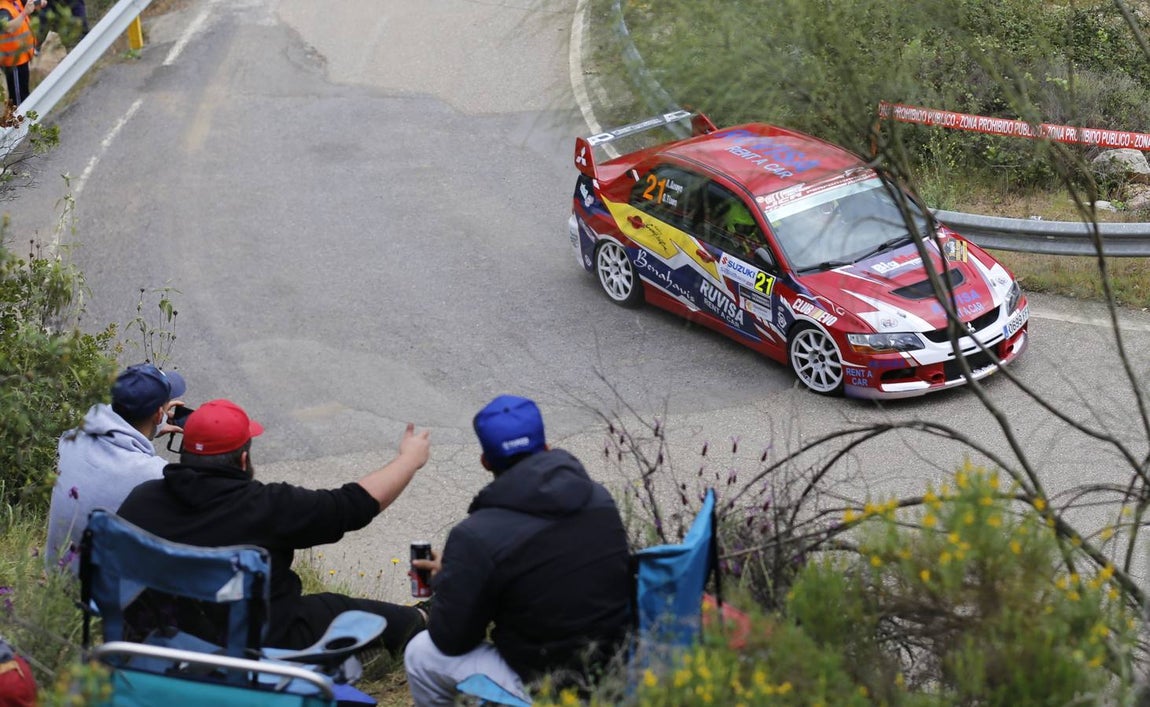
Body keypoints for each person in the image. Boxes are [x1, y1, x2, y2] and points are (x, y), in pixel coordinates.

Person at [116, 398, 431, 655]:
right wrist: (409, 460)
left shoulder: (141, 501)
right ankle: (425, 618)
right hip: (257, 645)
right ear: (243, 460)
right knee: (341, 609)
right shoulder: (268, 506)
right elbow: (352, 506)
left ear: (184, 454)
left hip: (160, 640)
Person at [404, 395, 632, 706]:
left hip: (548, 685)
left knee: (421, 654)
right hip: (621, 670)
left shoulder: (475, 535)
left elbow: (451, 640)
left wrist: (450, 580)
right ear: (547, 447)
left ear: (486, 462)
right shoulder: (599, 499)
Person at [45, 362, 187, 572]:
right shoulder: (154, 475)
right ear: (159, 415)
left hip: (56, 576)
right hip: (98, 588)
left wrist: (151, 426)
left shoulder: (72, 440)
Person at [0, 0, 41, 106]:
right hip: (13, 61)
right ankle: (19, 116)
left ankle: (25, 114)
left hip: (21, 57)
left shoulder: (14, 2)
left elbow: (30, 4)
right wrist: (25, 13)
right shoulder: (3, 9)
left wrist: (38, 3)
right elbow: (9, 28)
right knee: (18, 99)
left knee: (23, 92)